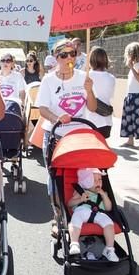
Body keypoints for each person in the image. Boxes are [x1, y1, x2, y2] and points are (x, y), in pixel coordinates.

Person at [37, 39, 94, 195]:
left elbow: (93, 107)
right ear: (56, 57)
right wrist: (56, 118)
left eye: (72, 54)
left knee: (79, 173)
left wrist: (89, 91)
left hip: (78, 135)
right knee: (55, 175)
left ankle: (79, 206)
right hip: (55, 135)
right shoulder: (48, 80)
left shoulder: (84, 77)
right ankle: (57, 209)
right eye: (64, 55)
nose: (69, 58)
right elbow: (42, 109)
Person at [67, 168, 118, 262]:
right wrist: (80, 200)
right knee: (75, 219)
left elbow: (108, 208)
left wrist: (104, 196)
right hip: (82, 211)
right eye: (94, 180)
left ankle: (109, 249)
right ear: (86, 182)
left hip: (98, 213)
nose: (98, 182)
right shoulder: (81, 191)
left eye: (100, 180)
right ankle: (74, 243)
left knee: (109, 222)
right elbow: (69, 204)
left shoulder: (103, 194)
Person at [120, 42, 139, 146]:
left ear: (135, 53)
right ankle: (130, 140)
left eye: (130, 53)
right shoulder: (135, 64)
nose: (128, 55)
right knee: (129, 117)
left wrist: (132, 68)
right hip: (131, 94)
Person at [84, 46, 116, 139]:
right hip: (106, 120)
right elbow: (110, 96)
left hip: (89, 120)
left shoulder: (86, 77)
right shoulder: (111, 78)